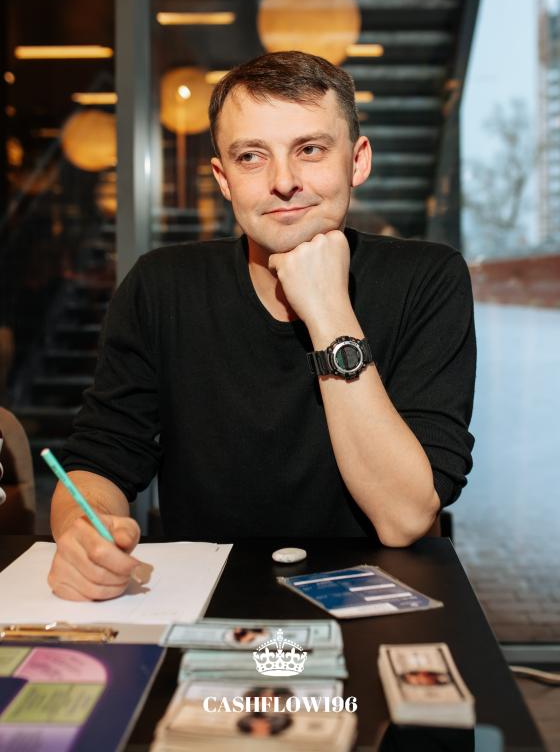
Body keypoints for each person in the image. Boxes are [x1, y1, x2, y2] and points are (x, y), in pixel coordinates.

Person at [49, 51, 476, 601]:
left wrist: (328, 310)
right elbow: (99, 460)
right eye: (251, 157)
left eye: (310, 150)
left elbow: (405, 517)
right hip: (207, 598)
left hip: (380, 597)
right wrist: (82, 532)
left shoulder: (428, 279)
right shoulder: (162, 286)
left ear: (357, 161)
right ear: (224, 179)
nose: (283, 182)